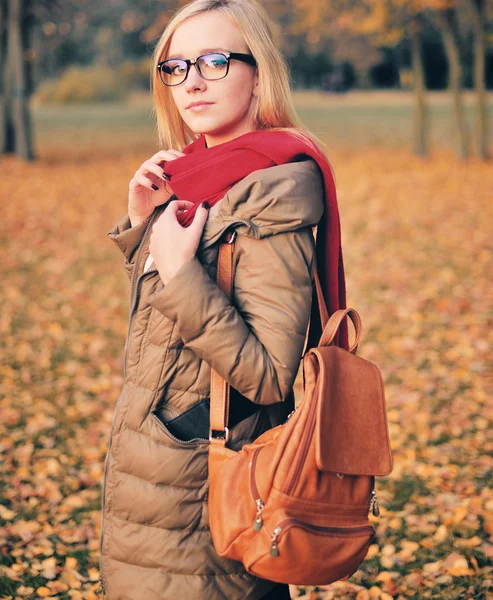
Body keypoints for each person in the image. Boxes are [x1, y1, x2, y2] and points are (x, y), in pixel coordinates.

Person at [99, 0, 349, 598]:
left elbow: (266, 377)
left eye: (214, 60)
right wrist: (143, 228)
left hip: (202, 487)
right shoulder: (194, 175)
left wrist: (181, 270)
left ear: (257, 72)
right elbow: (165, 332)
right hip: (157, 472)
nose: (193, 81)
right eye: (176, 67)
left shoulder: (271, 192)